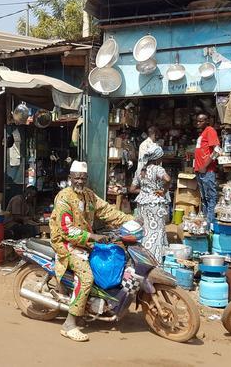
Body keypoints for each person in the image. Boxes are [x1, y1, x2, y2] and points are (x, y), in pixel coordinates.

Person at [49, 161, 135, 342]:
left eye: (83, 178)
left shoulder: (89, 196)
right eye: (77, 178)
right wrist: (92, 237)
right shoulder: (63, 198)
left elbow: (107, 211)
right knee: (87, 277)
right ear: (70, 178)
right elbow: (66, 230)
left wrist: (130, 221)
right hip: (66, 244)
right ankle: (69, 324)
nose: (80, 181)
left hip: (84, 242)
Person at [130, 144, 171, 263]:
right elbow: (167, 179)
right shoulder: (157, 169)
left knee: (144, 230)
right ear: (157, 158)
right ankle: (155, 260)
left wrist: (144, 191)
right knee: (156, 231)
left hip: (142, 205)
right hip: (155, 204)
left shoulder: (140, 170)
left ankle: (141, 259)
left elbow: (132, 189)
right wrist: (163, 190)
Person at [194, 114, 220, 224]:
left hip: (207, 172)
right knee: (204, 199)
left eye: (201, 121)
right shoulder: (203, 133)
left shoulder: (210, 130)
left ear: (207, 121)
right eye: (197, 121)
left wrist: (204, 166)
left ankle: (210, 224)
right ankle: (205, 223)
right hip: (201, 172)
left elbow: (217, 151)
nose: (198, 123)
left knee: (210, 198)